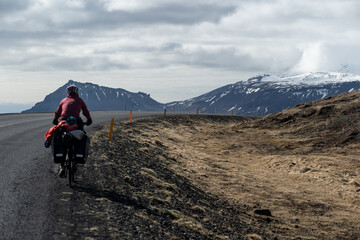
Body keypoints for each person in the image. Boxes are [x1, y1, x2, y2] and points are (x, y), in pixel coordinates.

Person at [53, 85, 92, 177]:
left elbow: (57, 112)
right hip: (76, 122)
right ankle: (77, 156)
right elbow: (85, 111)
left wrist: (55, 120)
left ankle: (62, 166)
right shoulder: (79, 100)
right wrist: (89, 119)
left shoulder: (63, 100)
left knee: (61, 139)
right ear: (76, 92)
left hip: (63, 122)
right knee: (81, 136)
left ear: (68, 93)